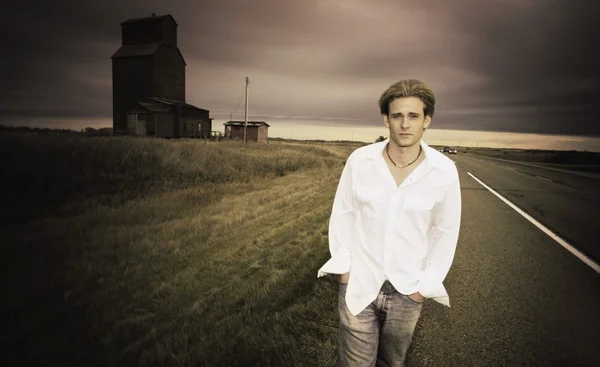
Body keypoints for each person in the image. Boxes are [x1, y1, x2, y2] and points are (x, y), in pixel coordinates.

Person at [317, 79, 462, 366]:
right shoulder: (360, 161)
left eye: (413, 116)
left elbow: (446, 233)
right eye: (397, 116)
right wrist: (344, 272)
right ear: (386, 120)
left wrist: (423, 288)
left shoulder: (443, 171)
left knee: (391, 363)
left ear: (427, 120)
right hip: (359, 286)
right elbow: (344, 214)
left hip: (408, 292)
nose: (405, 124)